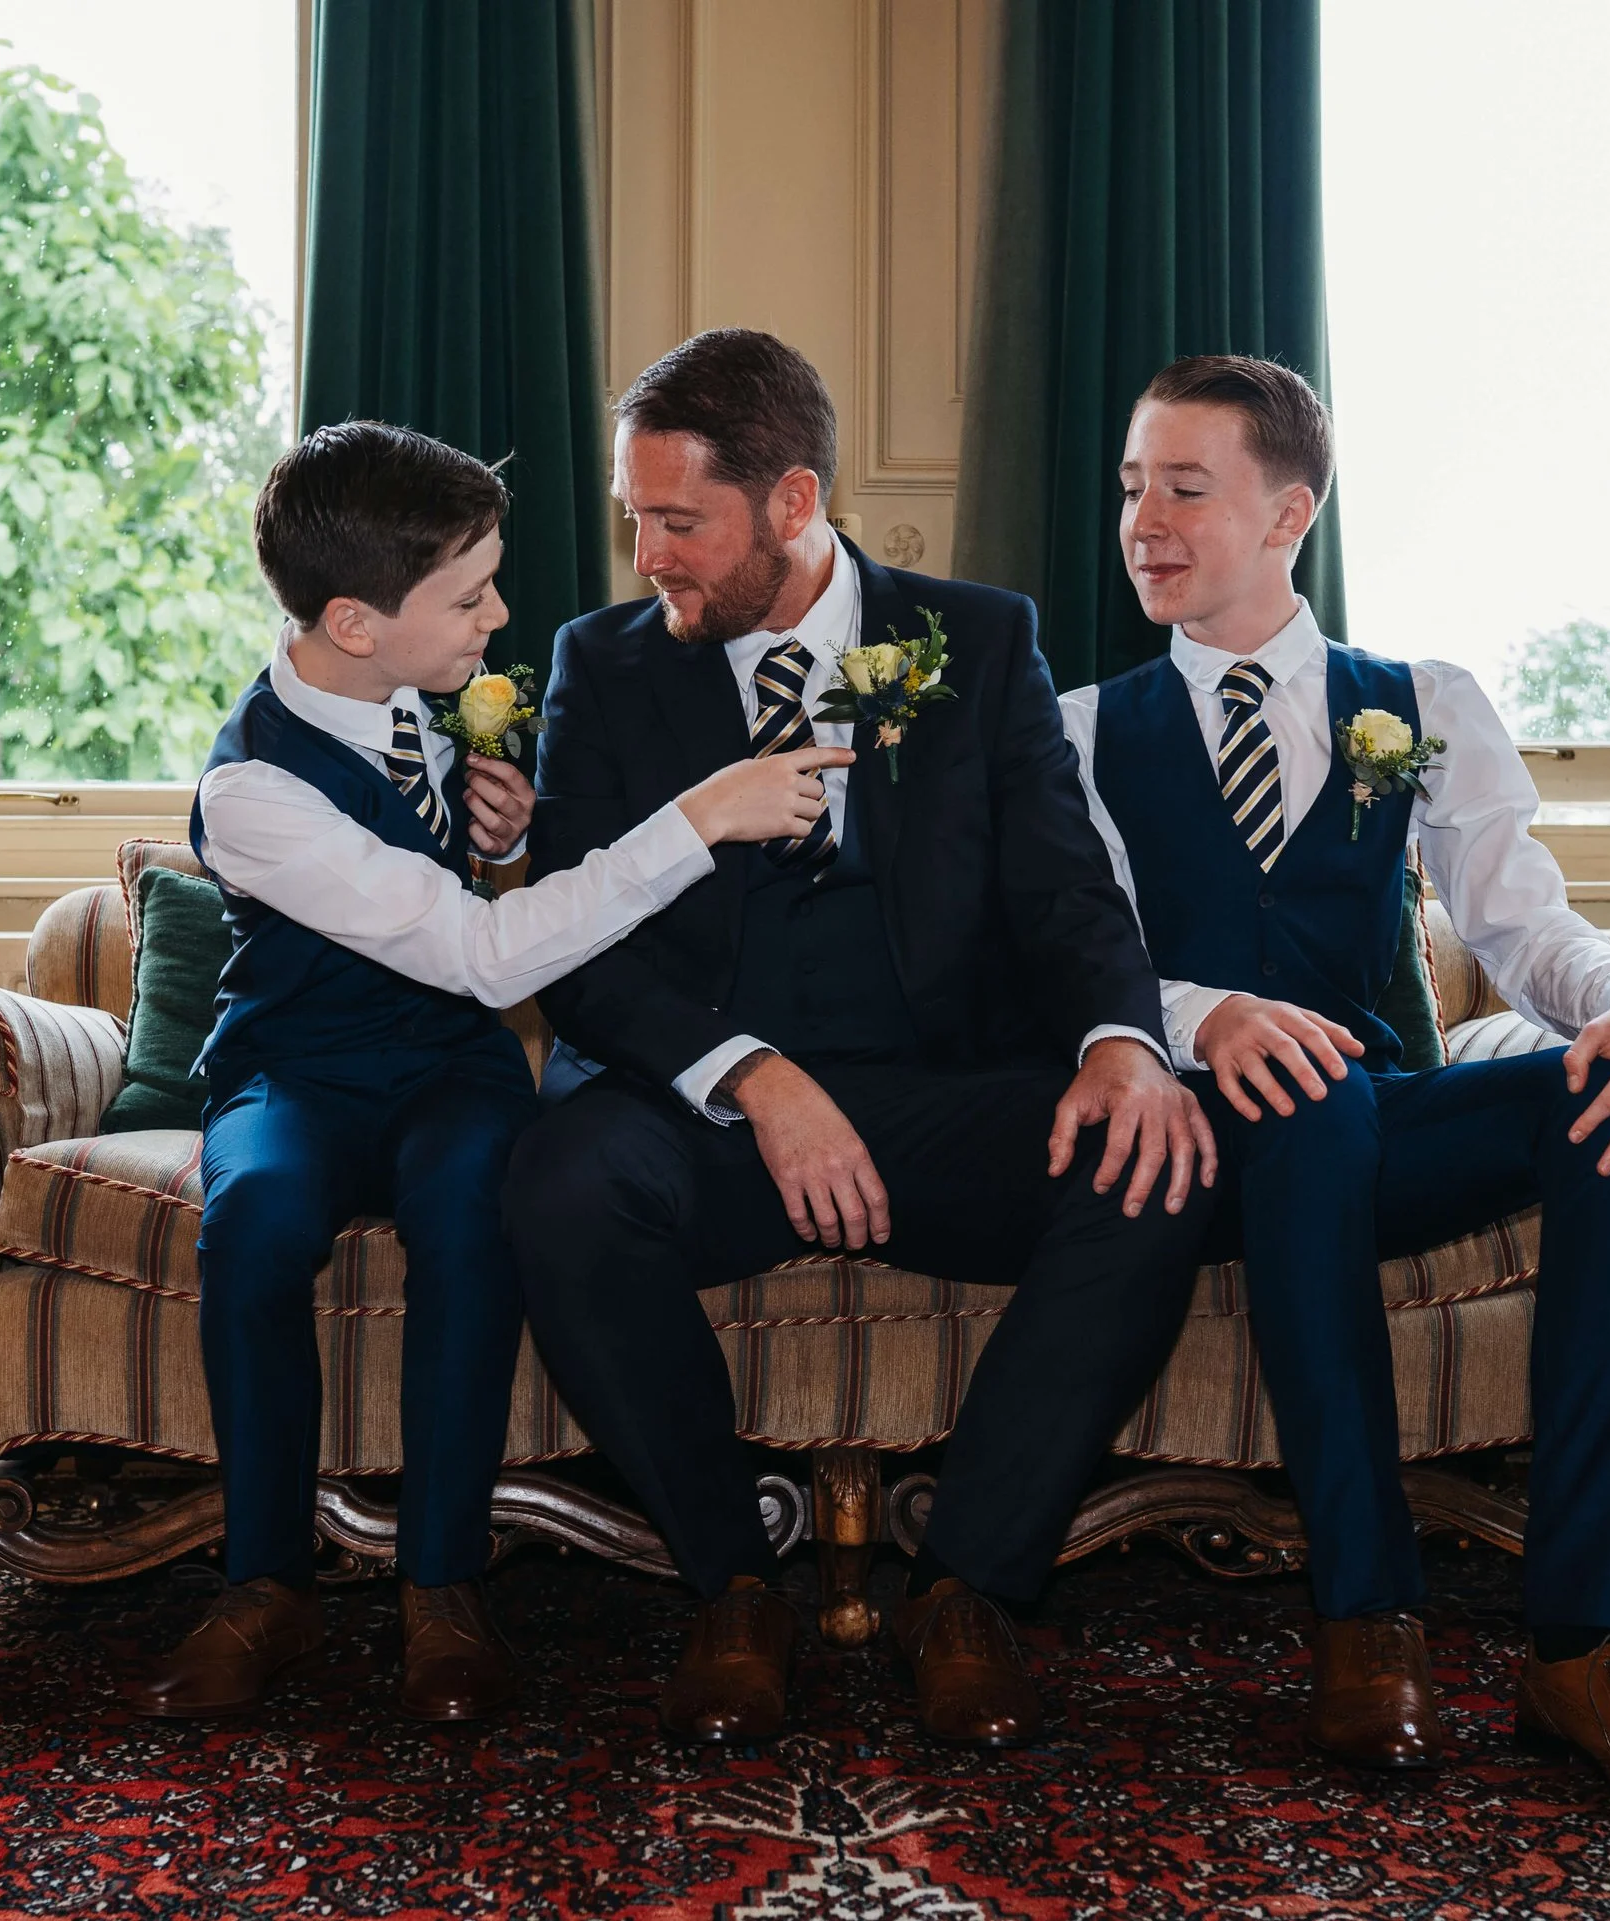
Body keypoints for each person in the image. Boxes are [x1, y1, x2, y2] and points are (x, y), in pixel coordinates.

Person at [1058, 354, 1610, 1815]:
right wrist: (1209, 1013)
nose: (1144, 521)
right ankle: (1367, 1612)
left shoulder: (1419, 703)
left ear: (1288, 514)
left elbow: (1520, 925)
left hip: (1380, 1125)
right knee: (1308, 1098)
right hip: (1207, 1148)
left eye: (1185, 487)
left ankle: (1584, 1652)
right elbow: (1080, 963)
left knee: (1603, 1100)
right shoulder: (1080, 732)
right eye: (1133, 489)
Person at [507, 328, 1219, 1750]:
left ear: (792, 502)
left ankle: (967, 1588)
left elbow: (1067, 891)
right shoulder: (602, 663)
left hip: (935, 1093)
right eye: (636, 518)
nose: (649, 556)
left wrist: (1124, 1045)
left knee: (1153, 1165)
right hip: (701, 1109)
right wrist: (754, 1076)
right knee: (558, 1186)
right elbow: (576, 946)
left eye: (680, 522)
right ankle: (733, 1586)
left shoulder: (982, 639)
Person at [122, 420, 848, 1724]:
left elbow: (471, 885)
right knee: (258, 1218)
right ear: (355, 621)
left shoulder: (424, 699)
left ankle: (442, 1586)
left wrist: (492, 830)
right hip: (297, 1072)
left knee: (476, 1207)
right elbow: (482, 952)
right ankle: (265, 1586)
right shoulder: (250, 795)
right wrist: (701, 817)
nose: (499, 617)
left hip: (451, 1072)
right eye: (468, 598)